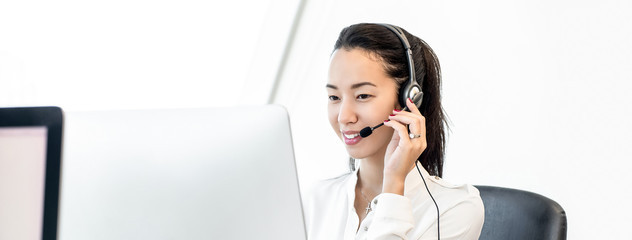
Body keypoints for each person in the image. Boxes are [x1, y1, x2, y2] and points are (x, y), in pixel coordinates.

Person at [304, 23, 485, 239]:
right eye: (334, 97)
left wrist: (393, 187)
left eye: (363, 96)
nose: (344, 117)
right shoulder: (316, 199)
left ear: (408, 100)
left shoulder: (455, 209)